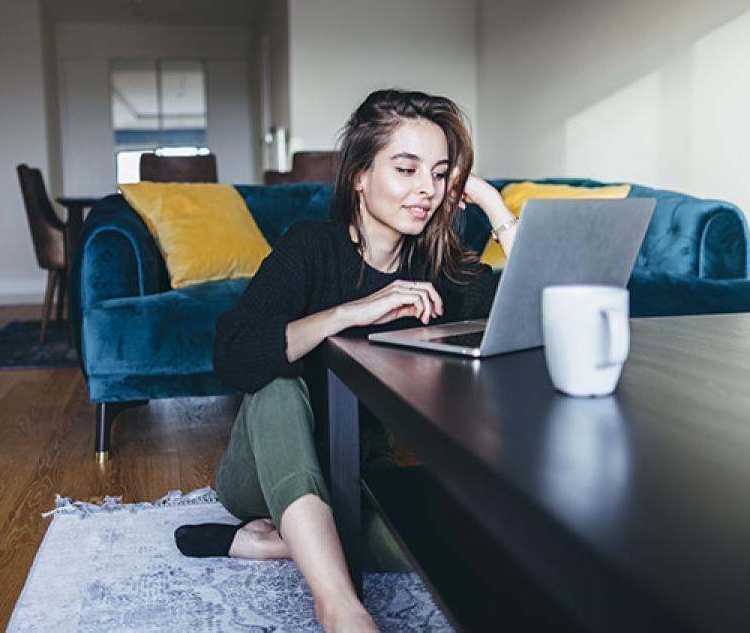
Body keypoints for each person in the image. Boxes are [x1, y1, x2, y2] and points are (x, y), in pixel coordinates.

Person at [175, 89, 520, 632]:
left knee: (465, 545)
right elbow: (233, 355)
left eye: (438, 174)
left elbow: (528, 326)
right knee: (277, 381)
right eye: (406, 169)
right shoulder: (312, 246)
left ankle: (274, 544)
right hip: (264, 467)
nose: (425, 190)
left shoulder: (444, 270)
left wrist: (493, 206)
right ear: (359, 175)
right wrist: (350, 313)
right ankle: (340, 607)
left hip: (360, 472)